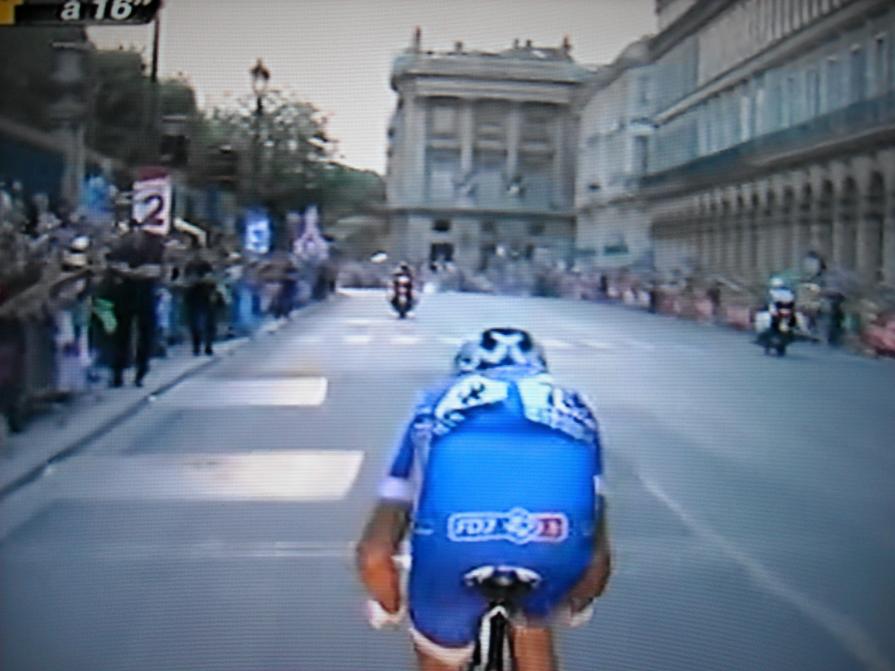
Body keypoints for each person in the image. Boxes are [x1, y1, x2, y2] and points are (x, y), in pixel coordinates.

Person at [357, 328, 611, 671]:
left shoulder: (433, 404)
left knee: (438, 653)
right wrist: (578, 601)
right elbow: (598, 546)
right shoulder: (575, 405)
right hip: (553, 544)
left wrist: (390, 604)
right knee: (534, 625)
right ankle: (532, 627)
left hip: (451, 550)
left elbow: (375, 551)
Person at [105, 223, 165, 388]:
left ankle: (141, 370)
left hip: (145, 295)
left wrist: (131, 272)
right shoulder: (121, 249)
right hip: (125, 295)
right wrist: (133, 272)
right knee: (121, 334)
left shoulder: (154, 247)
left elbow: (155, 270)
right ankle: (118, 371)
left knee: (145, 333)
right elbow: (113, 266)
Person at [184, 245, 217, 356]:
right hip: (194, 295)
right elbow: (186, 279)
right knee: (195, 322)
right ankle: (197, 346)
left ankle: (207, 345)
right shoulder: (189, 266)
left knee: (207, 322)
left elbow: (211, 279)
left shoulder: (206, 265)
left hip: (206, 294)